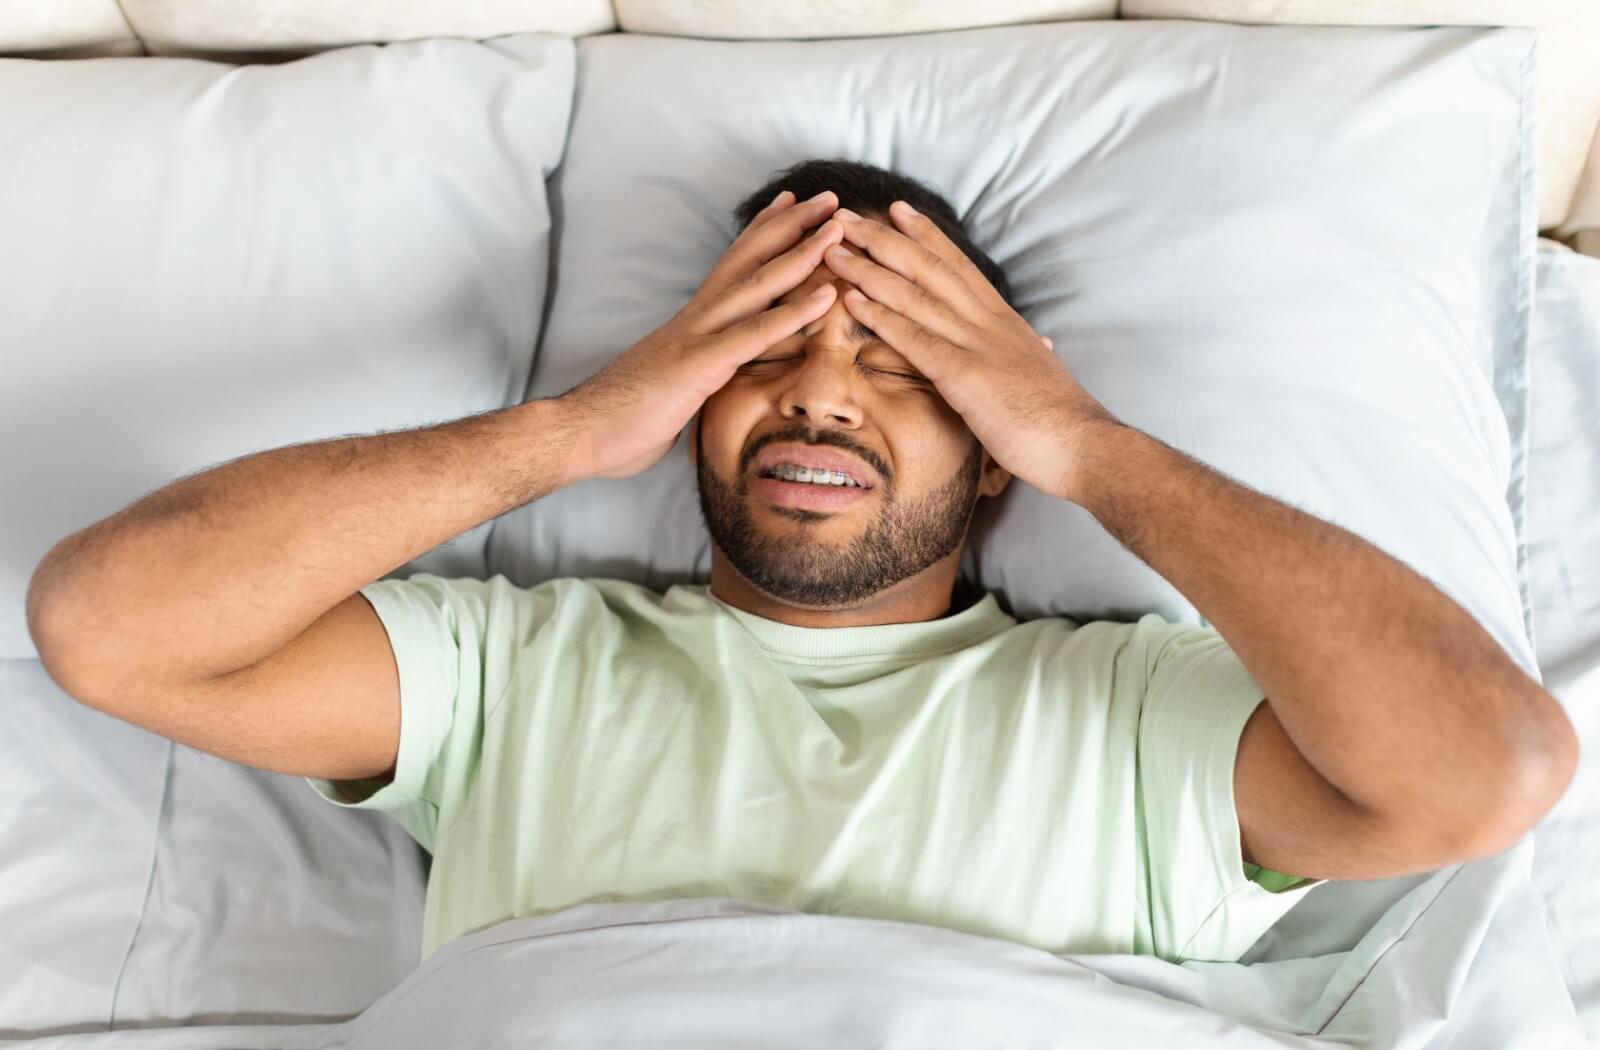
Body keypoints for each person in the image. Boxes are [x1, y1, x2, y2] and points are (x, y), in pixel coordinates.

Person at [27, 159, 1578, 969]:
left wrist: (1092, 447)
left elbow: (1489, 766)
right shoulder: (510, 670)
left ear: (991, 441)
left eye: (899, 360)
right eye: (763, 347)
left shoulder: (1139, 716)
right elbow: (108, 624)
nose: (821, 391)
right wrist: (570, 430)